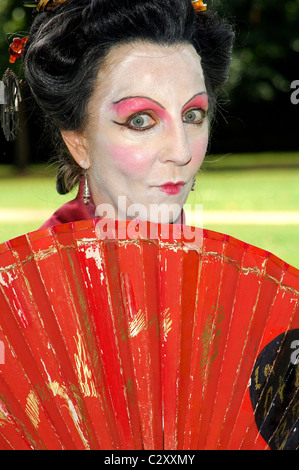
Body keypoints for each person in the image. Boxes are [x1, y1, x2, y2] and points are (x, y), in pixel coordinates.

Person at [22, 0, 235, 229]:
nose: (182, 153)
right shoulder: (38, 264)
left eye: (192, 116)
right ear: (78, 142)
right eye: (140, 120)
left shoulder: (230, 263)